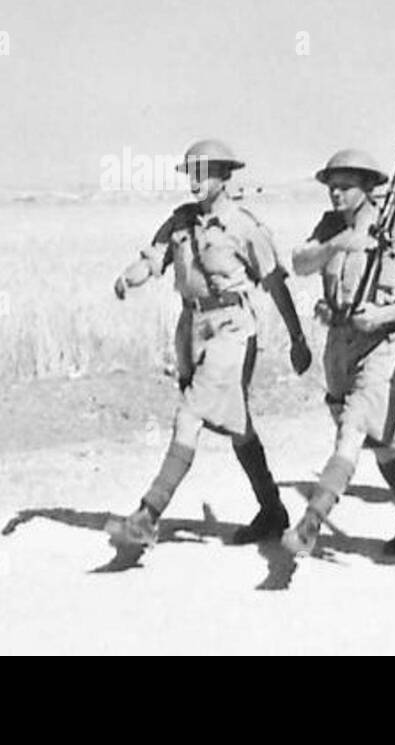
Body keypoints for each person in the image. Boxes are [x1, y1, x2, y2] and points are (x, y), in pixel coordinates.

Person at [107, 139, 312, 551]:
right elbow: (154, 259)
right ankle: (272, 509)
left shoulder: (244, 226)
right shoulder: (181, 222)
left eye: (205, 173)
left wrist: (297, 338)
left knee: (191, 413)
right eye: (192, 173)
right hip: (192, 327)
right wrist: (130, 277)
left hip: (234, 328)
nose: (197, 182)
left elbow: (274, 283)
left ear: (224, 176)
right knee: (238, 426)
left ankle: (148, 513)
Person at [281, 148, 395, 557]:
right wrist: (338, 244)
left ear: (369, 189)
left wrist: (384, 314)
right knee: (381, 442)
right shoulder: (329, 227)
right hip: (339, 347)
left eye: (346, 187)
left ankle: (311, 521)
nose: (336, 195)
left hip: (384, 347)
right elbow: (300, 263)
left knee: (350, 433)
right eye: (332, 187)